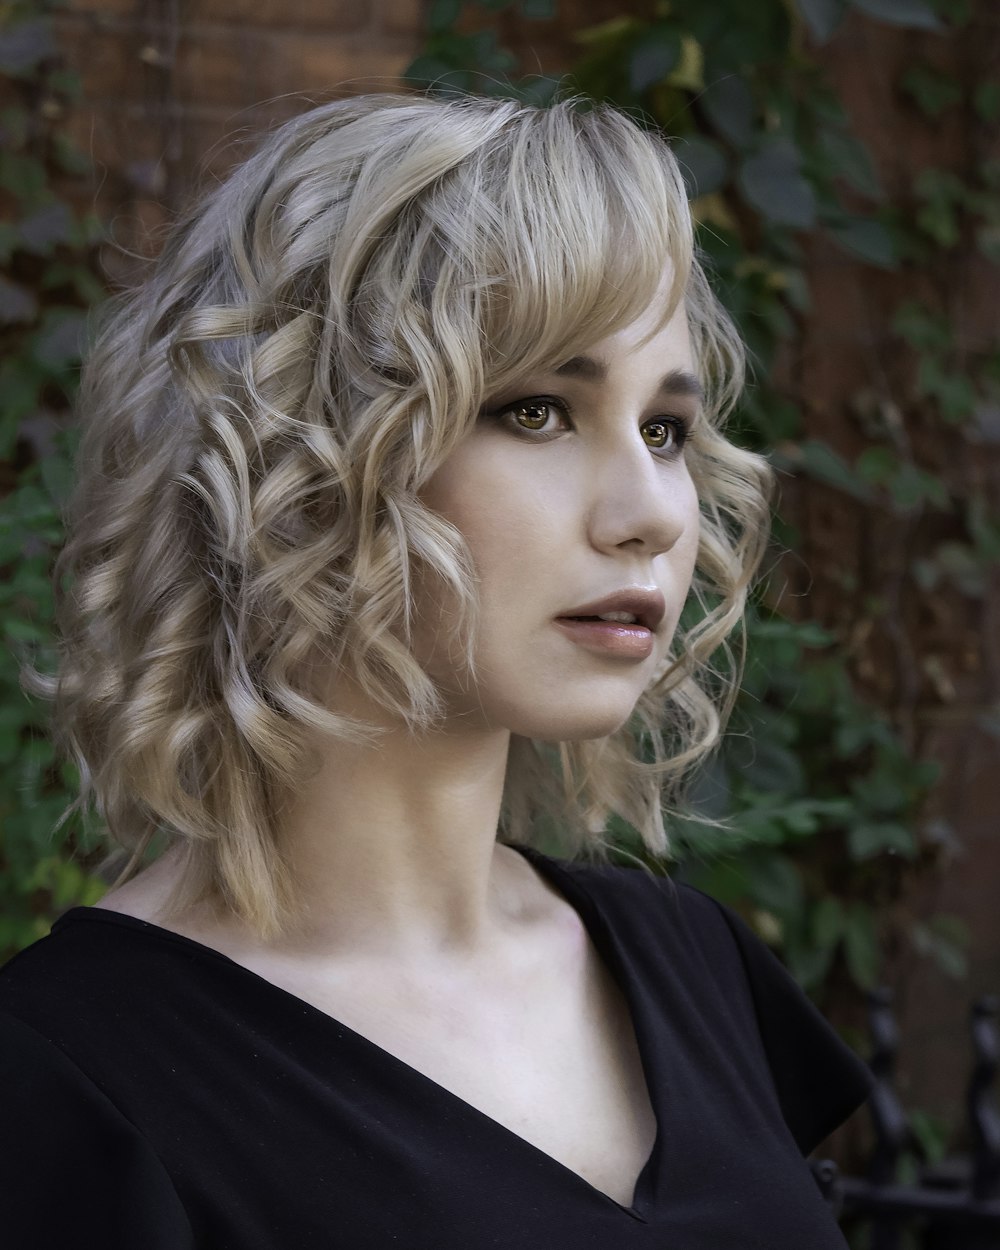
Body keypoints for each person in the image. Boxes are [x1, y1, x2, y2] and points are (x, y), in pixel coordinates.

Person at [0, 93, 871, 1248]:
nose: (652, 512)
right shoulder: (70, 1076)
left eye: (663, 429)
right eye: (536, 410)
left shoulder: (687, 959)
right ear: (298, 458)